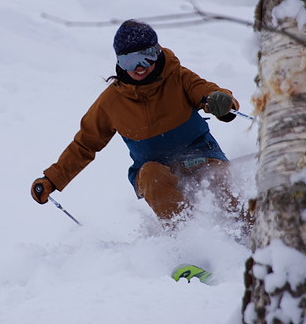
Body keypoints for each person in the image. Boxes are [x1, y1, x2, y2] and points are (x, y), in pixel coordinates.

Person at [31, 19, 250, 228]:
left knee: (216, 180)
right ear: (118, 62)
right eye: (128, 61)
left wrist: (222, 102)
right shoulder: (111, 102)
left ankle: (250, 228)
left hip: (201, 156)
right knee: (151, 175)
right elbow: (85, 144)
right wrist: (52, 179)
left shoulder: (178, 78)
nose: (139, 67)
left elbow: (207, 92)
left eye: (146, 57)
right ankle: (188, 239)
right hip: (157, 170)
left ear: (157, 51)